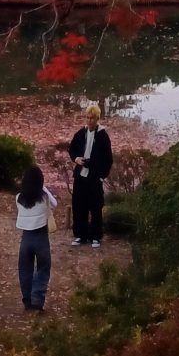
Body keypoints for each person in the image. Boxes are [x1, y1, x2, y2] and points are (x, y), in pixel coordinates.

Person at [69, 105, 112, 248]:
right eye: (87, 118)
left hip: (94, 177)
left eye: (92, 118)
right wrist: (76, 159)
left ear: (97, 119)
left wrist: (102, 176)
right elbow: (72, 149)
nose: (89, 121)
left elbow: (108, 159)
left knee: (95, 207)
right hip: (80, 175)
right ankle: (80, 235)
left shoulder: (102, 136)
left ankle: (96, 236)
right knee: (79, 205)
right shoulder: (81, 133)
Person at [16, 165, 57, 313]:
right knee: (43, 268)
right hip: (41, 237)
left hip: (26, 238)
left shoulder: (19, 198)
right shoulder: (44, 198)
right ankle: (37, 301)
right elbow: (55, 204)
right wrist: (44, 188)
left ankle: (27, 300)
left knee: (25, 269)